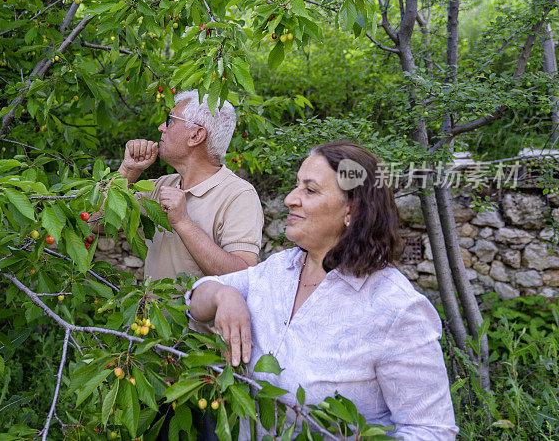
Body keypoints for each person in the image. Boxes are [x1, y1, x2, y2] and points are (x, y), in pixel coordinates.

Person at [187, 141, 458, 440]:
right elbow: (195, 299)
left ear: (352, 210)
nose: (290, 198)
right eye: (296, 186)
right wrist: (223, 295)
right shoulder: (280, 269)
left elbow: (432, 431)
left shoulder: (395, 307)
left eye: (310, 190)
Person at [116, 90, 264, 283]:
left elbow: (243, 276)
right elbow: (96, 224)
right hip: (150, 314)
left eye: (170, 121)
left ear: (196, 135)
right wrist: (128, 170)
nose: (161, 127)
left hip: (195, 315)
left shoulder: (239, 195)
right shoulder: (161, 185)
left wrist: (183, 223)